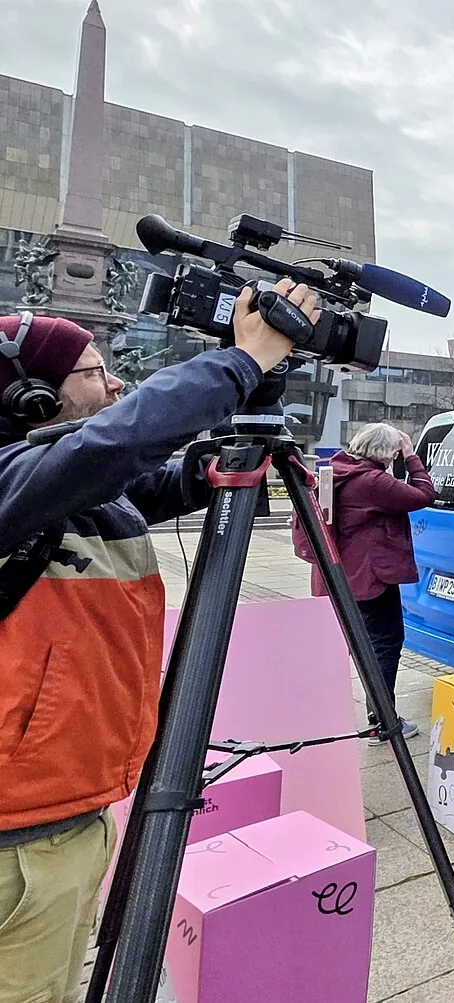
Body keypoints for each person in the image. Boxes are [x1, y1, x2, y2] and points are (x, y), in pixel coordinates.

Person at [0, 283, 306, 1002]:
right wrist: (240, 361)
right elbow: (117, 442)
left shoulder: (66, 489)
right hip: (21, 844)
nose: (115, 385)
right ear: (30, 397)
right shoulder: (16, 478)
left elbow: (149, 480)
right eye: (94, 372)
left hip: (63, 814)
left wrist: (239, 429)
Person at [301, 422, 434, 742]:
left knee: (355, 646)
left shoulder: (336, 471)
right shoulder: (372, 481)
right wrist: (411, 456)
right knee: (385, 644)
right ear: (385, 451)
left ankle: (323, 715)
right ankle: (382, 720)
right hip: (370, 579)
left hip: (339, 576)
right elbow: (424, 494)